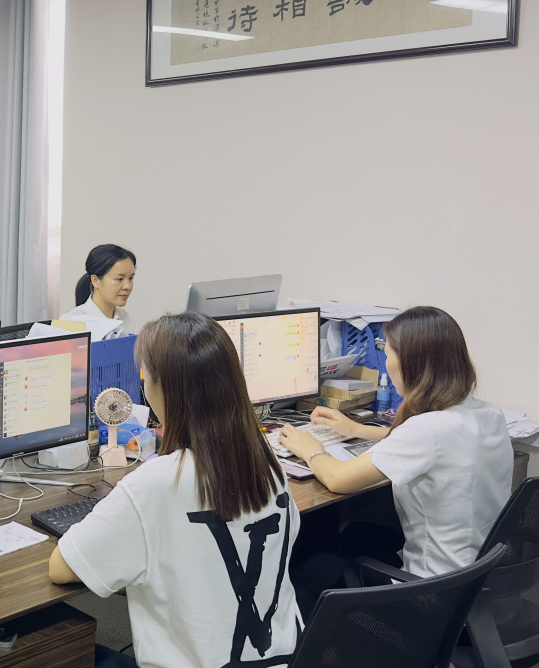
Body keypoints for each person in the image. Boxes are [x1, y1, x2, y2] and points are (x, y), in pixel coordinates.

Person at [49, 313, 301, 668]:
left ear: (163, 388)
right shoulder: (267, 464)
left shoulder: (155, 483)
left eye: (146, 378)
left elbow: (62, 568)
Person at [279, 305, 512, 582]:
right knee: (357, 533)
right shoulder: (489, 414)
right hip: (479, 573)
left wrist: (311, 449)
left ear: (409, 364)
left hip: (432, 587)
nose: (386, 363)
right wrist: (356, 429)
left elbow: (338, 479)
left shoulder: (425, 430)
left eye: (387, 353)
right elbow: (433, 443)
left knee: (308, 563)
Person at [59, 244, 137, 337]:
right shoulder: (70, 322)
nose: (127, 286)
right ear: (95, 280)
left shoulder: (126, 319)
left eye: (131, 278)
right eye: (119, 279)